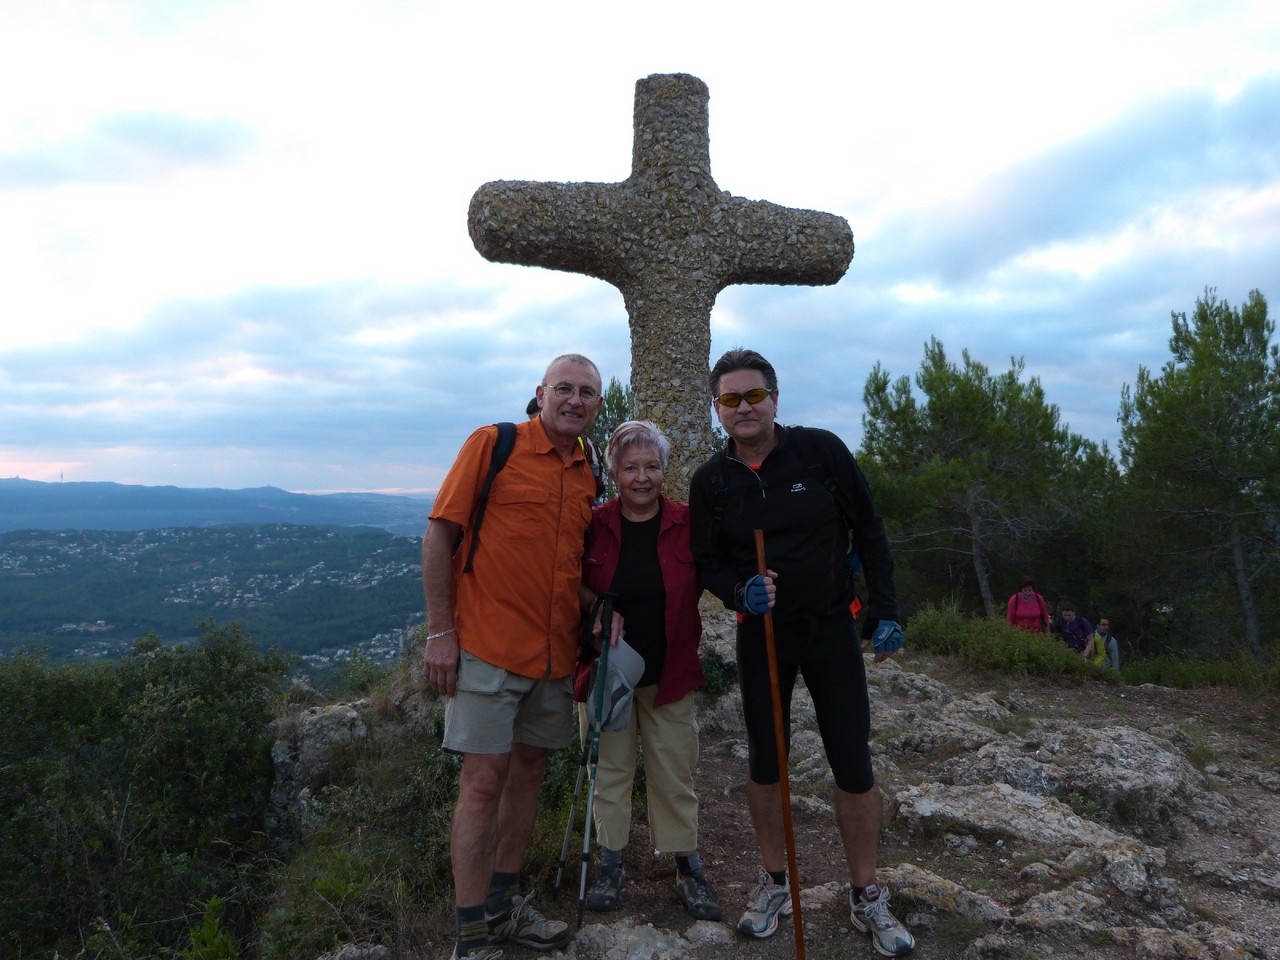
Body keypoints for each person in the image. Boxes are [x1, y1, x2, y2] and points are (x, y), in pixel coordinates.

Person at [689, 348, 915, 957]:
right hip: (760, 633)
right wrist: (738, 591)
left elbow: (869, 528)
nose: (743, 407)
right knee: (767, 760)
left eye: (753, 395)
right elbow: (706, 560)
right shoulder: (712, 481)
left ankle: (865, 893)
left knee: (852, 760)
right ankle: (774, 883)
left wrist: (885, 610)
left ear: (775, 398)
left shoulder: (820, 453)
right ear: (717, 409)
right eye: (730, 399)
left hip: (830, 630)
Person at [422, 353, 605, 960]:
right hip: (488, 648)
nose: (574, 400)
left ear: (598, 404)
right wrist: (440, 633)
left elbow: (569, 565)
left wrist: (598, 607)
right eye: (564, 389)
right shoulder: (494, 444)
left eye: (587, 392)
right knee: (482, 783)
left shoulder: (588, 469)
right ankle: (470, 937)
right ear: (541, 393)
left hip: (554, 656)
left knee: (528, 773)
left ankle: (502, 907)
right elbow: (439, 535)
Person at [576, 420, 723, 920]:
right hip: (607, 675)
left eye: (652, 467)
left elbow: (720, 568)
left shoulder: (687, 523)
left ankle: (687, 868)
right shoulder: (594, 524)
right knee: (609, 772)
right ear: (615, 472)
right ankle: (610, 864)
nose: (642, 478)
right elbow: (567, 579)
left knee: (674, 773)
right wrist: (595, 604)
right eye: (630, 468)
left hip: (670, 674)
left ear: (664, 471)